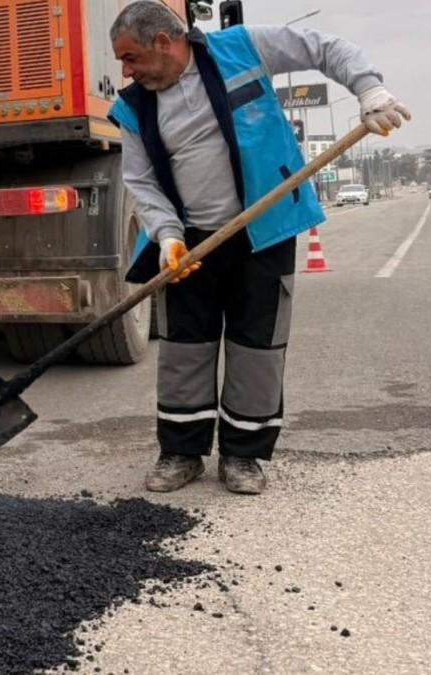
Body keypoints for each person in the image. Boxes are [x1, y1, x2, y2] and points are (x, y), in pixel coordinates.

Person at [107, 2, 409, 494]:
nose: (126, 71)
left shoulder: (242, 49)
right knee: (186, 348)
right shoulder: (135, 106)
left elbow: (323, 47)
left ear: (164, 42)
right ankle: (181, 453)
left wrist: (368, 88)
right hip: (191, 243)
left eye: (131, 57)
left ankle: (244, 456)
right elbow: (140, 181)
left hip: (263, 229)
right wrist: (167, 236)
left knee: (257, 345)